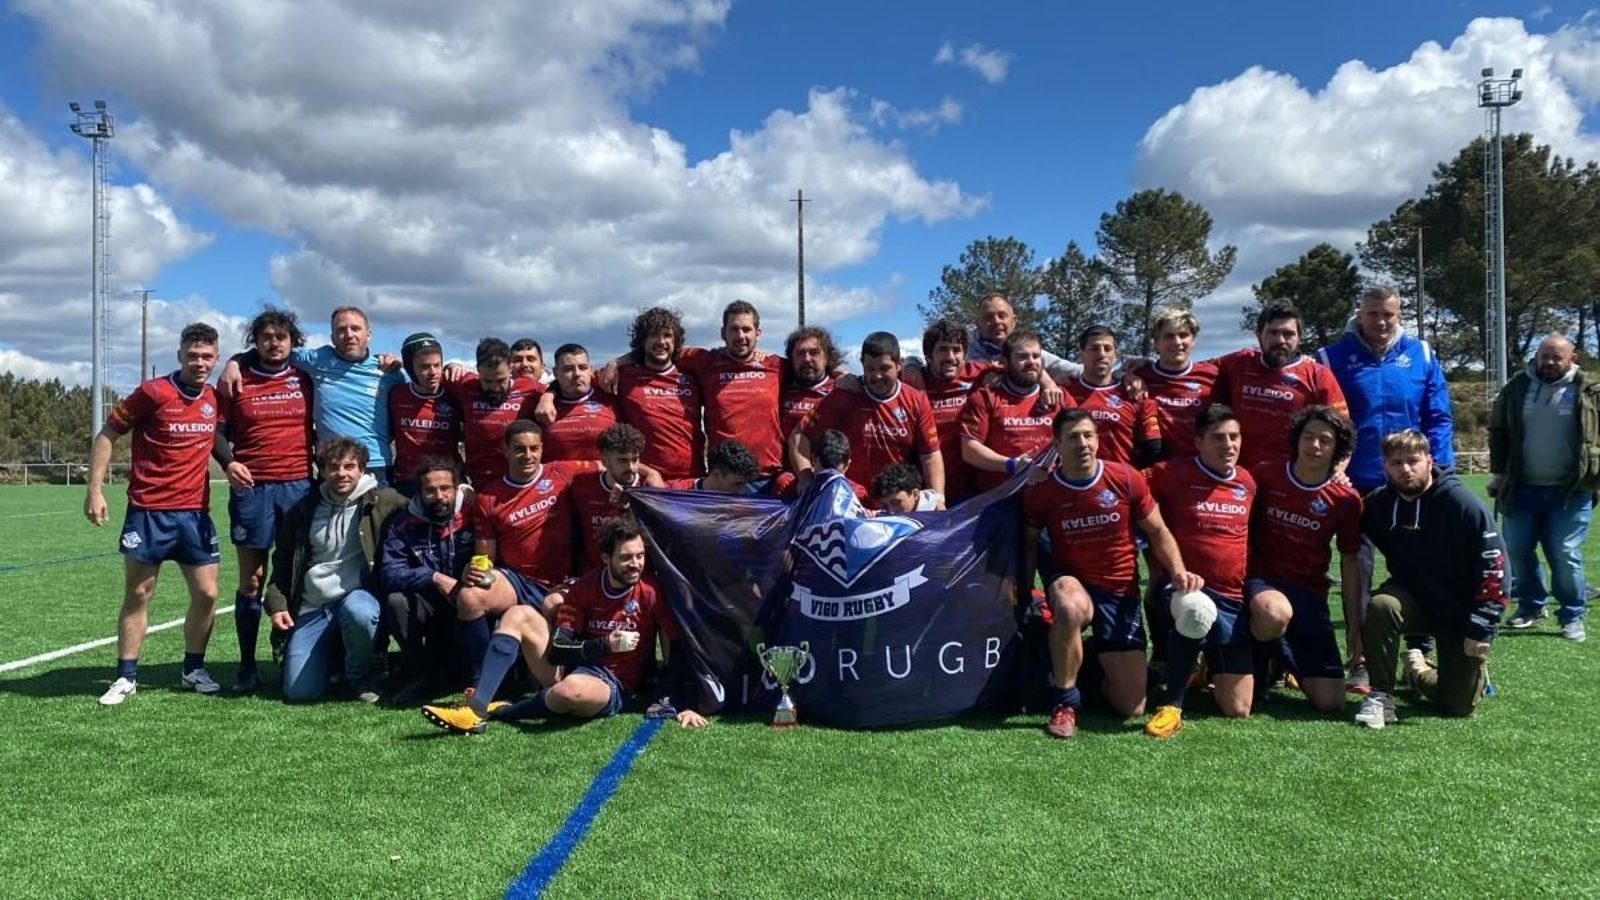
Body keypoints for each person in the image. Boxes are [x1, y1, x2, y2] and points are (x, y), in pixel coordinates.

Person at [420, 518, 708, 732]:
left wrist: (683, 701)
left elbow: (677, 648)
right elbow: (559, 648)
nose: (635, 564)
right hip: (572, 665)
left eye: (640, 556)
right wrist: (605, 644)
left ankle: (500, 712)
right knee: (519, 614)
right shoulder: (585, 587)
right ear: (606, 558)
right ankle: (477, 707)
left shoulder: (652, 592)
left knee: (570, 691)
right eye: (626, 558)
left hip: (612, 683)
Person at [1023, 408, 1200, 738]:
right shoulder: (1043, 490)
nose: (1082, 443)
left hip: (1119, 592)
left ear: (1097, 439)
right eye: (1072, 437)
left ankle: (1076, 655)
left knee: (1130, 707)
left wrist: (1178, 571)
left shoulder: (1126, 478)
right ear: (1057, 445)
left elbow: (1158, 531)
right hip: (1071, 582)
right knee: (1069, 606)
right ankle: (1064, 703)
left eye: (1088, 435)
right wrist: (1022, 590)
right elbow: (1030, 543)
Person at [1316, 284, 1455, 687]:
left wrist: (1438, 466)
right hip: (1357, 486)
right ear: (1359, 313)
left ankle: (1418, 651)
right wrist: (1332, 467)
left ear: (1399, 315)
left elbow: (1438, 415)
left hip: (1412, 485)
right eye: (1373, 313)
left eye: (1388, 314)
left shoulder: (1421, 354)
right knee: (1356, 571)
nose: (1380, 321)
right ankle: (1360, 657)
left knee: (1420, 566)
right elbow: (1323, 420)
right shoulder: (1331, 357)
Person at [86, 322, 227, 705]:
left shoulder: (214, 397)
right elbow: (107, 434)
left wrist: (231, 464)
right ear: (180, 355)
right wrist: (94, 490)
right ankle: (125, 676)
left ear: (216, 359)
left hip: (195, 515)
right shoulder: (153, 392)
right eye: (193, 355)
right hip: (148, 512)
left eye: (207, 357)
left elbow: (217, 438)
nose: (200, 363)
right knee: (139, 592)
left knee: (208, 593)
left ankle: (193, 669)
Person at [1356, 430, 1508, 727]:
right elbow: (1344, 520)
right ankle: (1381, 696)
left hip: (1459, 610)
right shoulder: (1379, 504)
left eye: (1413, 460)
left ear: (1429, 460)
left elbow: (1495, 564)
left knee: (1457, 706)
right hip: (1411, 600)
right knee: (1382, 605)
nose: (1405, 469)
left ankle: (1417, 670)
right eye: (1396, 463)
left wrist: (1483, 625)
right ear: (1385, 467)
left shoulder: (1460, 502)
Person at [214, 307, 316, 693]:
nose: (274, 343)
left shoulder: (306, 376)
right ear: (254, 342)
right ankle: (246, 666)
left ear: (293, 342)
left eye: (281, 337)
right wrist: (229, 462)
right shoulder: (237, 379)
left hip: (298, 486)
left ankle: (291, 649)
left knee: (298, 573)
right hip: (252, 488)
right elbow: (217, 432)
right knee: (252, 579)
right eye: (266, 337)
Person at [1143, 404, 1258, 737]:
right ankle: (1172, 705)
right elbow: (1127, 487)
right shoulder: (1170, 473)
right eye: (1218, 438)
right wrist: (1158, 567)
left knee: (1238, 709)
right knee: (1196, 610)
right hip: (1183, 589)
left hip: (1231, 598)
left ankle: (1203, 668)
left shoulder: (1248, 481)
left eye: (1234, 437)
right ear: (1198, 442)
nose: (1228, 445)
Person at [265, 437, 407, 703]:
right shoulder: (304, 509)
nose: (341, 473)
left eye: (349, 466)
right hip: (314, 603)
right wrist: (277, 603)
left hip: (358, 597)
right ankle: (333, 663)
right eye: (333, 467)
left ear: (362, 469)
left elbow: (422, 508)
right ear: (322, 470)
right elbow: (282, 561)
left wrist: (461, 494)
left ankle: (358, 675)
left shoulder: (383, 501)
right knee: (299, 692)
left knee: (360, 613)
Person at [458, 420, 596, 689]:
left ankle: (532, 669)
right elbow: (485, 558)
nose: (528, 455)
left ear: (542, 448)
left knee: (541, 681)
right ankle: (479, 683)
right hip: (517, 581)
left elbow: (608, 465)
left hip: (563, 580)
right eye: (519, 449)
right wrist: (475, 570)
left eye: (534, 448)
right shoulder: (488, 497)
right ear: (505, 450)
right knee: (470, 597)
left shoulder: (562, 472)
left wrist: (649, 473)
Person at [1244, 406, 1363, 713]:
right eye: (1308, 437)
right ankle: (1258, 670)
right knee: (1274, 614)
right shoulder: (1265, 476)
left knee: (1331, 702)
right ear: (1296, 439)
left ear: (1338, 449)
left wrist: (1355, 627)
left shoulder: (1346, 500)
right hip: (1263, 583)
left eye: (1325, 440)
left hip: (1309, 592)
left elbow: (1350, 562)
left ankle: (1281, 653)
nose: (1315, 445)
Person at [1490, 333, 1599, 642]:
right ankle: (1531, 606)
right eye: (1544, 356)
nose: (1549, 362)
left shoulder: (1590, 390)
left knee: (1564, 552)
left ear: (1572, 359)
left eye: (1556, 357)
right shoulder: (1516, 388)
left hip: (1572, 490)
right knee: (1517, 549)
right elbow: (1499, 431)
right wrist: (1498, 474)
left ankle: (1572, 615)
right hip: (1521, 487)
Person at [222, 305, 406, 483]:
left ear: (369, 334)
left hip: (376, 465)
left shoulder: (389, 372)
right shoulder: (317, 360)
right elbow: (273, 350)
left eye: (355, 328)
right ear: (332, 338)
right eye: (341, 330)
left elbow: (413, 401)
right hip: (332, 467)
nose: (349, 335)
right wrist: (234, 362)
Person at [792, 332, 944, 500]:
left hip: (895, 504)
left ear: (899, 364)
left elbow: (930, 456)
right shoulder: (845, 394)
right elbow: (799, 436)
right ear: (862, 364)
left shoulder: (916, 401)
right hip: (849, 502)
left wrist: (938, 498)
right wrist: (805, 478)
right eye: (870, 369)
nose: (877, 375)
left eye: (884, 368)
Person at [378, 456, 475, 697]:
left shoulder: (474, 515)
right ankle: (421, 673)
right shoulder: (401, 523)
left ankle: (480, 672)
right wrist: (434, 578)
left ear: (456, 489)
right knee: (396, 601)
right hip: (427, 602)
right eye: (430, 490)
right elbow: (389, 573)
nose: (439, 496)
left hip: (469, 602)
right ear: (419, 493)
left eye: (445, 489)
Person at [1212, 300, 1347, 471]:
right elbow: (1192, 372)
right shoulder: (1239, 363)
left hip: (1293, 477)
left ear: (1299, 338)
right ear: (1258, 334)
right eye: (1272, 332)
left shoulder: (1318, 375)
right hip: (1239, 475)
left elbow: (1343, 432)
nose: (1280, 340)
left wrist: (1336, 472)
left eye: (1288, 334)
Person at [679, 300, 787, 476]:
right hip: (723, 479)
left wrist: (835, 371)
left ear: (758, 333)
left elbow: (813, 367)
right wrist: (627, 362)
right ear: (723, 333)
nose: (740, 336)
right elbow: (662, 349)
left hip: (767, 477)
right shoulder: (706, 361)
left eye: (746, 329)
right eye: (734, 329)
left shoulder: (776, 366)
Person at [958, 331, 1064, 492]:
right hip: (1000, 495)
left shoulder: (1058, 397)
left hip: (1049, 493)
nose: (1031, 362)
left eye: (1036, 356)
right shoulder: (984, 397)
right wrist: (1011, 465)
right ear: (1005, 362)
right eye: (1022, 357)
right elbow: (969, 450)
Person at [608, 307, 704, 482]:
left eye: (667, 335)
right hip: (647, 481)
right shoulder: (624, 376)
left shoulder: (693, 376)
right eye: (653, 335)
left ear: (675, 341)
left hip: (692, 479)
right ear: (642, 341)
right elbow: (579, 381)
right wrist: (552, 394)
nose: (661, 341)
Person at [447, 337, 546, 487]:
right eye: (487, 381)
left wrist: (548, 397)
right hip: (478, 481)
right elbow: (432, 375)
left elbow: (561, 388)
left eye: (501, 380)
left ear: (510, 368)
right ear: (478, 370)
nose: (494, 387)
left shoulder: (532, 389)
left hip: (519, 480)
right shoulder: (465, 384)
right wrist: (450, 366)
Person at [916, 319, 993, 503]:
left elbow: (1021, 365)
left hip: (971, 491)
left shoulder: (979, 373)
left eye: (956, 350)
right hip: (925, 490)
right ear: (928, 355)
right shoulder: (915, 379)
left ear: (965, 354)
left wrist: (1046, 383)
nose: (950, 356)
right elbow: (879, 376)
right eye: (942, 349)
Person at [1063, 325, 1162, 467]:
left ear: (1115, 355)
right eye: (1094, 348)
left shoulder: (1135, 392)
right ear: (1082, 354)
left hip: (1121, 478)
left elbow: (1153, 448)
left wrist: (1133, 476)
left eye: (1107, 348)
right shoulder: (1065, 392)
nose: (1101, 354)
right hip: (1074, 478)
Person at [387, 332, 463, 493]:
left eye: (437, 365)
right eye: (424, 367)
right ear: (410, 368)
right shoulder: (396, 395)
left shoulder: (455, 393)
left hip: (447, 482)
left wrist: (455, 367)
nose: (433, 372)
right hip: (407, 481)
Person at [1141, 307, 1218, 461]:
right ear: (1156, 342)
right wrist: (1122, 373)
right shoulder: (1140, 377)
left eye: (1183, 335)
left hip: (1200, 467)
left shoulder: (1212, 375)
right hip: (1153, 468)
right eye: (1169, 336)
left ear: (1193, 340)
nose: (1177, 342)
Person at [571, 423, 648, 572]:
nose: (631, 467)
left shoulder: (648, 488)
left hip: (635, 574)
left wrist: (626, 510)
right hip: (591, 574)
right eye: (622, 461)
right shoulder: (582, 487)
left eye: (635, 459)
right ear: (605, 461)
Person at [541, 343, 617, 462]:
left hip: (604, 473)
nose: (577, 374)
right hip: (558, 473)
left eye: (583, 367)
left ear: (591, 370)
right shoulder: (541, 405)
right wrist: (547, 396)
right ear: (555, 373)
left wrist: (615, 362)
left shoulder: (611, 395)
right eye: (568, 369)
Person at [779, 327, 840, 441]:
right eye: (800, 353)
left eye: (814, 352)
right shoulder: (779, 389)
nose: (807, 359)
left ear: (827, 357)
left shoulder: (839, 393)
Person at [668, 440, 761, 492]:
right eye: (737, 484)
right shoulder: (675, 494)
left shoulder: (744, 507)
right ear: (716, 475)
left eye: (744, 484)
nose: (742, 491)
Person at [871, 463, 943, 513]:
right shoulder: (883, 513)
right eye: (885, 506)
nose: (891, 511)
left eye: (896, 503)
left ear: (915, 494)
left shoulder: (937, 513)